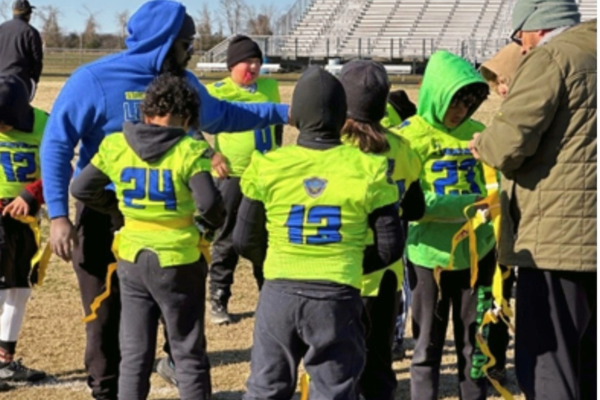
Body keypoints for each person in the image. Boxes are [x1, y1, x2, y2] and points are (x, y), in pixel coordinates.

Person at [40, 2, 289, 399]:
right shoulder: (93, 79)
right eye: (187, 44)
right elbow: (56, 144)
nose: (190, 52)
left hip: (171, 220)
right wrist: (58, 215)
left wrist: (284, 113)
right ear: (165, 42)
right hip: (107, 215)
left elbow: (222, 116)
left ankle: (176, 369)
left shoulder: (182, 83)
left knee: (175, 318)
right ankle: (106, 390)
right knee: (107, 317)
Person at [233, 66, 404, 400]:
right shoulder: (368, 168)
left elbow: (243, 240)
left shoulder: (268, 165)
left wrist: (284, 259)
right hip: (337, 295)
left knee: (266, 388)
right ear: (344, 116)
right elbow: (390, 246)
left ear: (294, 115)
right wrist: (345, 262)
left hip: (280, 290)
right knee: (334, 388)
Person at [469, 1, 596, 398]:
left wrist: (482, 144)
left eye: (518, 37)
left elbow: (508, 144)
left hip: (558, 240)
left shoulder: (552, 57)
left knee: (549, 365)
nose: (520, 48)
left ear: (534, 27)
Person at [71, 74, 224, 400]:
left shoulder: (116, 144)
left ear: (146, 113)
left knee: (135, 354)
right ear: (186, 117)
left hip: (132, 256)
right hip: (178, 259)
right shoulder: (188, 148)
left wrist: (117, 210)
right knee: (187, 352)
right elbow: (211, 204)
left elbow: (81, 187)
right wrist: (205, 227)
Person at [399, 50, 495, 400]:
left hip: (477, 254)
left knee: (474, 342)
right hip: (429, 258)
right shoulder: (408, 136)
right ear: (437, 95)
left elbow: (495, 187)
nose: (460, 112)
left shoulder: (482, 133)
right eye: (454, 102)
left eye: (468, 103)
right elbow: (408, 203)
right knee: (426, 344)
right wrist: (463, 207)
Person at [339, 60, 425, 400]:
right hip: (386, 273)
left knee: (338, 364)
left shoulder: (337, 147)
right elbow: (416, 208)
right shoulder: (402, 147)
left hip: (341, 268)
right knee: (378, 364)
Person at [206, 35, 282, 325]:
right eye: (245, 62)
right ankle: (219, 298)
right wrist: (212, 155)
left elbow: (275, 125)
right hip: (233, 177)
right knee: (226, 239)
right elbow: (190, 127)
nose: (252, 67)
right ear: (230, 65)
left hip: (266, 178)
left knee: (267, 238)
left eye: (257, 61)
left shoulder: (270, 86)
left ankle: (271, 298)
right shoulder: (216, 92)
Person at [478, 41, 523, 385]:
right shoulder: (502, 117)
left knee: (505, 293)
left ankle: (501, 359)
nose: (501, 88)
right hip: (498, 225)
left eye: (505, 80)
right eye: (497, 84)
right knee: (495, 296)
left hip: (523, 224)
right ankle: (493, 361)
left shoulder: (526, 113)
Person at [0, 74, 48, 387]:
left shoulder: (45, 124)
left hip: (26, 222)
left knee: (20, 288)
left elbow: (62, 167)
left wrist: (31, 194)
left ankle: (5, 360)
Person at [0, 0, 43, 100]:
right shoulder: (31, 32)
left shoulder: (1, 28)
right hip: (20, 81)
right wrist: (34, 80)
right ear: (28, 14)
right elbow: (37, 61)